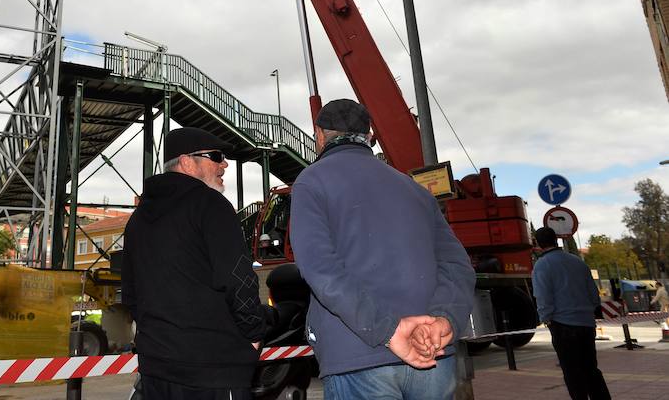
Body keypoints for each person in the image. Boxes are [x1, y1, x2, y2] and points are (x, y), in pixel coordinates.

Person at [289, 99, 476, 400]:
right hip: (431, 351)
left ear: (319, 136)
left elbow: (321, 270)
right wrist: (444, 320)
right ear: (370, 135)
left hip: (358, 353)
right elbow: (458, 265)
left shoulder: (311, 182)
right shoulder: (415, 189)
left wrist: (388, 330)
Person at [122, 127, 267, 400]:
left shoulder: (137, 219)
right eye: (216, 156)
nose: (224, 164)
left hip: (157, 370)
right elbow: (239, 279)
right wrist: (253, 335)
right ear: (187, 162)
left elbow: (130, 293)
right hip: (214, 370)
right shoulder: (211, 204)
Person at [532, 226, 611, 400]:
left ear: (537, 244)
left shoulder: (542, 265)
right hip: (586, 323)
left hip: (562, 325)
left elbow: (543, 297)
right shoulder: (577, 261)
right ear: (556, 240)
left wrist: (547, 319)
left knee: (572, 371)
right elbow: (593, 293)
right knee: (591, 369)